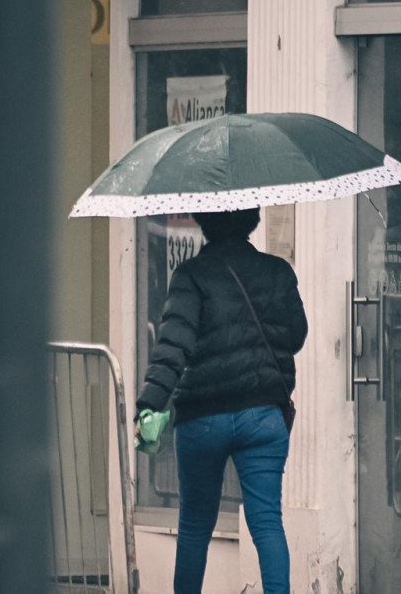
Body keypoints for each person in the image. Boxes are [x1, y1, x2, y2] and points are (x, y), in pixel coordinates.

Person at [136, 207, 307, 594]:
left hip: (203, 418)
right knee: (267, 522)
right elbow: (295, 336)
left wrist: (150, 402)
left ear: (203, 220)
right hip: (264, 416)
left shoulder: (191, 276)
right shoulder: (278, 271)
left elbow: (172, 347)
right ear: (253, 219)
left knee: (195, 526)